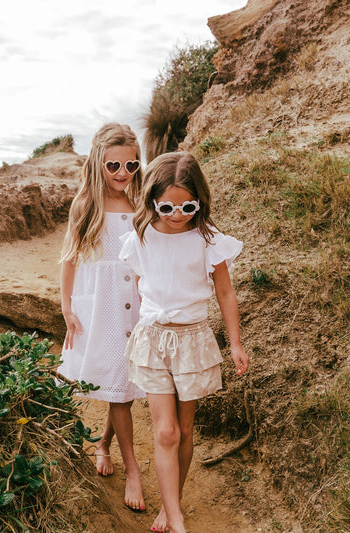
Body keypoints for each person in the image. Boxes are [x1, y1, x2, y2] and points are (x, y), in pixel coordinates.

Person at [119, 151, 249, 533]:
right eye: (167, 206)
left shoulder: (209, 240)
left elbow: (225, 294)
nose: (178, 214)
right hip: (154, 339)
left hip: (193, 340)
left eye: (188, 205)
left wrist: (236, 343)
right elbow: (144, 284)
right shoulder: (140, 237)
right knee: (166, 430)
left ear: (200, 201)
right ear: (152, 201)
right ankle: (175, 516)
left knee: (187, 430)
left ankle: (170, 504)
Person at [59, 123, 146, 513]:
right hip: (100, 304)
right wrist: (66, 307)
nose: (122, 174)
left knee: (122, 384)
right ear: (98, 162)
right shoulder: (85, 206)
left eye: (131, 165)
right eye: (114, 166)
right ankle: (134, 471)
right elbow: (70, 258)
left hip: (136, 301)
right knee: (118, 385)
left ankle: (104, 444)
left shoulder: (140, 203)